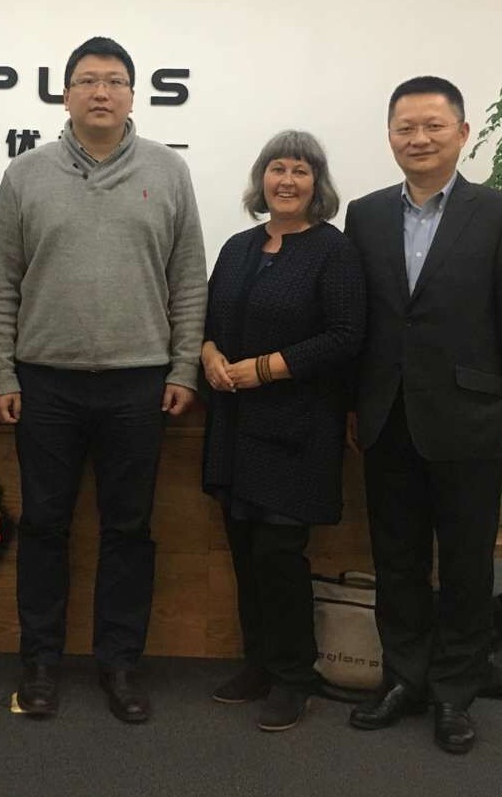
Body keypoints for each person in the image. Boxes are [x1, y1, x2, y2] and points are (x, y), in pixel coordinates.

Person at [0, 36, 207, 723]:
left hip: (138, 383)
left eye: (113, 81)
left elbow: (187, 280)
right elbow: (2, 281)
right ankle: (40, 662)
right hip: (44, 382)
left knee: (128, 529)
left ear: (133, 95)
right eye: (86, 80)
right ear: (65, 94)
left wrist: (183, 365)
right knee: (44, 526)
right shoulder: (26, 174)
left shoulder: (168, 171)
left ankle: (120, 662)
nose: (100, 92)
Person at [343, 75, 502, 754]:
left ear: (461, 132)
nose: (418, 138)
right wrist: (354, 404)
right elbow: (363, 322)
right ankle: (402, 678)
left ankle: (455, 692)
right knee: (396, 560)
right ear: (389, 136)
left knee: (465, 565)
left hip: (471, 417)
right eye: (405, 127)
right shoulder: (366, 214)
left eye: (433, 125)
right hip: (387, 415)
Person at [200, 130, 365, 731]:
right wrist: (209, 354)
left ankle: (294, 676)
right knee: (245, 552)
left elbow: (346, 336)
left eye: (300, 170)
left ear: (317, 184)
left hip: (297, 428)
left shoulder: (333, 250)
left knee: (279, 555)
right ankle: (259, 664)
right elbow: (210, 320)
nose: (287, 181)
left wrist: (267, 368)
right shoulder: (239, 246)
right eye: (277, 169)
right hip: (235, 424)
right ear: (261, 179)